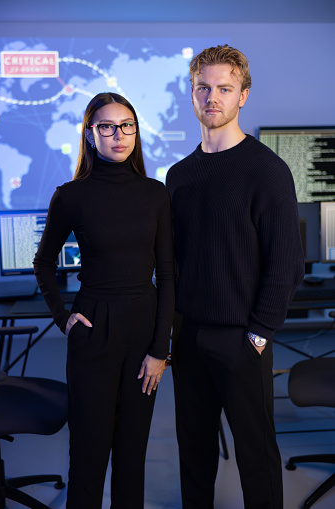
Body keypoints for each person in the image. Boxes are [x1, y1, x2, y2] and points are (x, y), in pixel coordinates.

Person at [166, 45, 305, 509]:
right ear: (192, 94)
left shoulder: (267, 170)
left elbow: (287, 263)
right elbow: (175, 262)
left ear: (242, 95)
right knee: (194, 451)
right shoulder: (179, 175)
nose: (212, 97)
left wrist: (259, 335)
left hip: (242, 338)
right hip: (187, 335)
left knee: (255, 453)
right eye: (203, 88)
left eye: (224, 88)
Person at [34, 92, 175, 509]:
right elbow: (43, 263)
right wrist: (63, 318)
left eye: (127, 125)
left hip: (144, 330)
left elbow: (167, 274)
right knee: (90, 454)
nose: (119, 134)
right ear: (90, 133)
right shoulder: (72, 195)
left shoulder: (155, 193)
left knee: (132, 455)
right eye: (107, 126)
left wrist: (160, 351)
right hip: (93, 327)